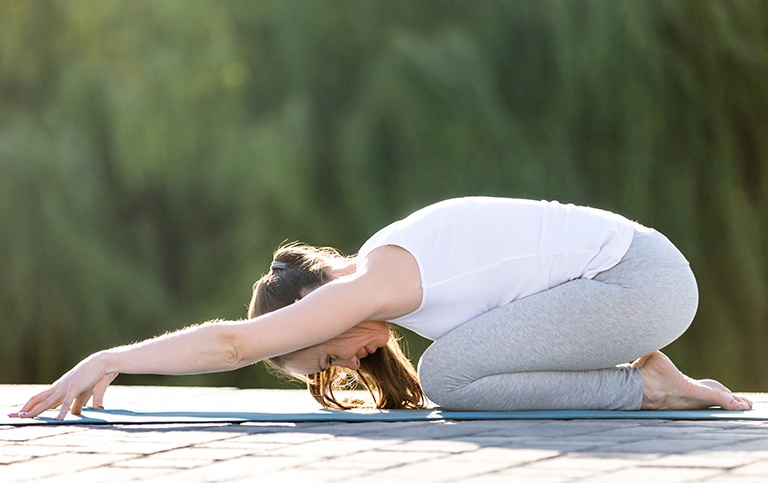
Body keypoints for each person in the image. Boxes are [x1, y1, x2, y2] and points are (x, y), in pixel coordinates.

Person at [10, 197, 752, 420]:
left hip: (643, 283)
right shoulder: (391, 267)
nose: (352, 362)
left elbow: (232, 346)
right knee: (455, 370)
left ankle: (647, 386)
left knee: (452, 378)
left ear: (317, 306)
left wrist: (111, 359)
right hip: (636, 279)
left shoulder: (378, 277)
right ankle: (652, 373)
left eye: (327, 355)